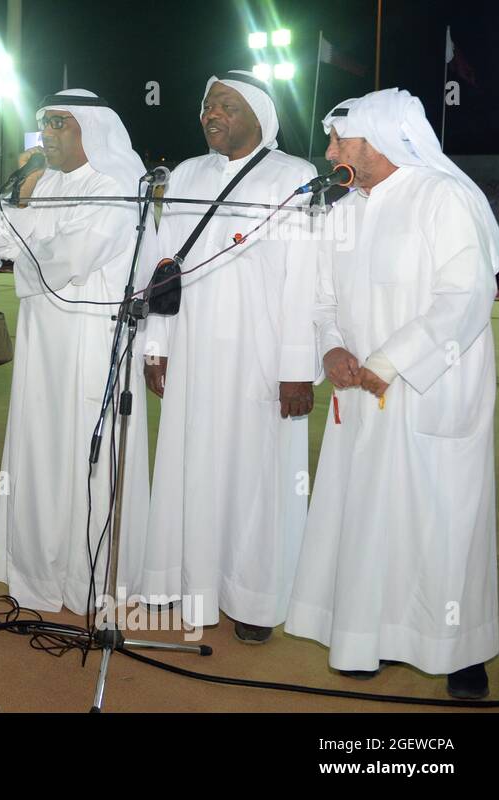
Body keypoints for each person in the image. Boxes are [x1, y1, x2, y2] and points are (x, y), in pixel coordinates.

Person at [286, 89, 499, 699]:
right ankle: (365, 638)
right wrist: (331, 347)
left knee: (442, 519)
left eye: (338, 139)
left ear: (377, 139)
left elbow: (464, 296)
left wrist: (389, 362)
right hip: (358, 394)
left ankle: (460, 653)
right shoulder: (344, 209)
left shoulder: (446, 197)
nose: (329, 151)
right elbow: (323, 299)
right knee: (367, 519)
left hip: (430, 388)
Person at [141, 70, 320, 641]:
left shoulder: (295, 176)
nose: (209, 113)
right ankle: (189, 586)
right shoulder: (189, 174)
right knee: (189, 468)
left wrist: (297, 370)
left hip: (259, 359)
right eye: (206, 104)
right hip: (193, 353)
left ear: (259, 118)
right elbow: (162, 268)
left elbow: (305, 281)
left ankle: (253, 598)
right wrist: (156, 345)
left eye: (224, 105)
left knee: (254, 479)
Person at [0, 90, 152, 612]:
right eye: (44, 124)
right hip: (42, 339)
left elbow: (71, 258)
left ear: (91, 129)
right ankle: (37, 572)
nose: (48, 135)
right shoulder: (43, 183)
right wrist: (23, 215)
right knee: (40, 446)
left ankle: (86, 579)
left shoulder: (117, 184)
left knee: (86, 453)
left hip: (90, 338)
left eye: (60, 124)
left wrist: (30, 240)